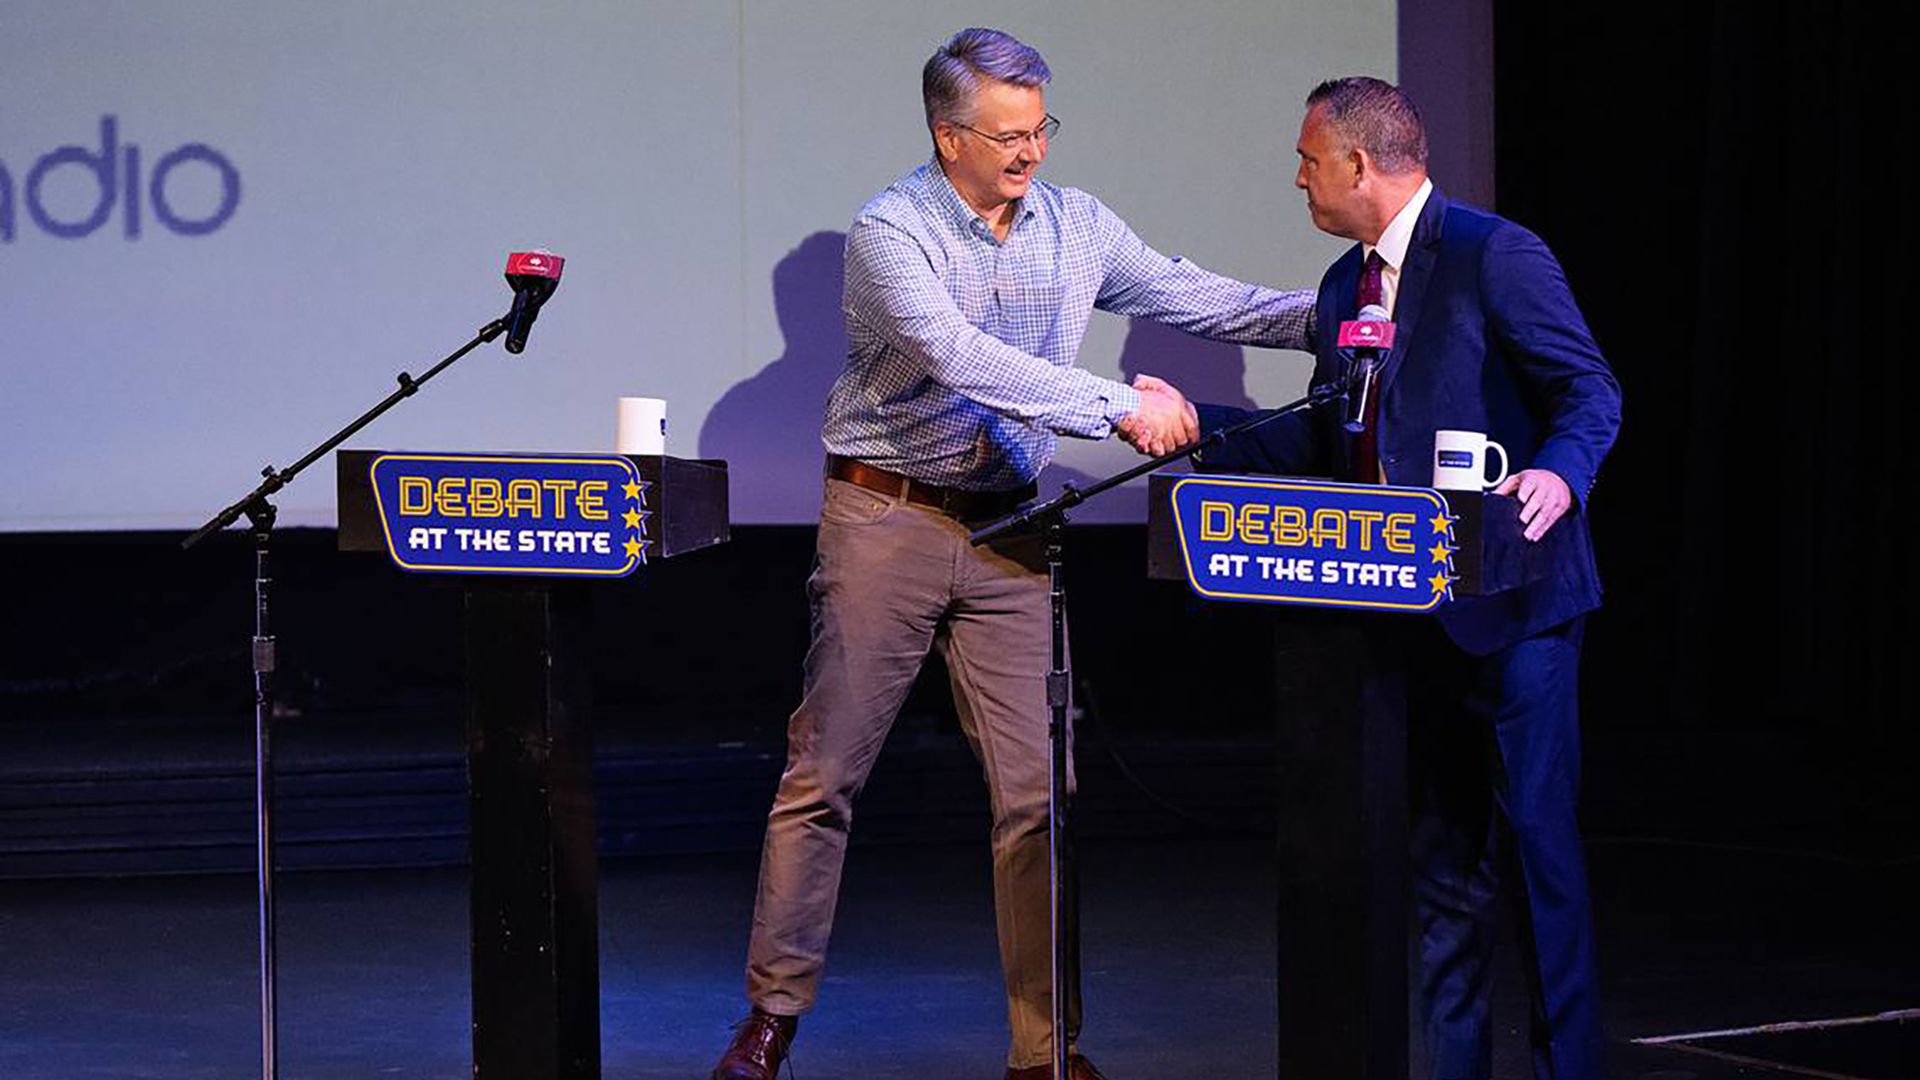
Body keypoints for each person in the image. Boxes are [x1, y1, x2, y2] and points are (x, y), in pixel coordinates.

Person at [708, 27, 1315, 1080]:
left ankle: (1046, 1053)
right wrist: (1118, 406)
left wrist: (1344, 318)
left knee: (1040, 795)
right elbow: (959, 357)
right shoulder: (892, 231)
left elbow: (1194, 293)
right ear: (949, 138)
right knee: (825, 774)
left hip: (1011, 531)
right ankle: (772, 1017)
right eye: (1008, 135)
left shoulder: (1076, 224)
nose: (1032, 153)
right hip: (887, 520)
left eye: (1042, 129)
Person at [1163, 77, 1621, 1080]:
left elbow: (1589, 391)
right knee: (1445, 877)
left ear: (1360, 165)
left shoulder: (1494, 254)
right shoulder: (1340, 289)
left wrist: (1558, 473)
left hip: (1517, 610)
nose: (1297, 177)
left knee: (1540, 861)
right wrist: (1204, 423)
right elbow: (1328, 435)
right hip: (1404, 620)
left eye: (1307, 159)